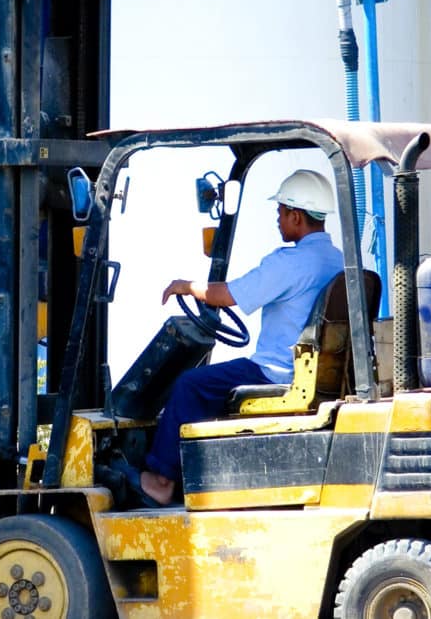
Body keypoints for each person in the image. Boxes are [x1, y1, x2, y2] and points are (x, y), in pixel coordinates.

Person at [136, 169, 345, 506]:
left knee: (190, 385)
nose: (277, 219)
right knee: (210, 387)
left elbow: (229, 295)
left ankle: (161, 480)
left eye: (280, 212)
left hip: (275, 372)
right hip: (313, 372)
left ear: (296, 216)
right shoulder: (337, 260)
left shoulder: (290, 263)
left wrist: (186, 287)